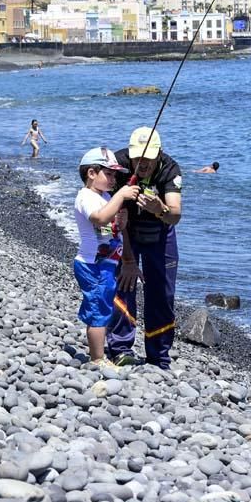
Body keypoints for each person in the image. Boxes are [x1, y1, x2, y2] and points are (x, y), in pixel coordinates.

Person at [109, 127, 183, 369]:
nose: (142, 163)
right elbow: (117, 219)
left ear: (158, 154)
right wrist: (128, 260)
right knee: (123, 284)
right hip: (125, 230)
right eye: (137, 157)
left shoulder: (170, 169)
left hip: (160, 232)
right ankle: (120, 347)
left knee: (162, 294)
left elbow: (175, 215)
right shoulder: (117, 166)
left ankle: (158, 354)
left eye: (148, 158)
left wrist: (159, 208)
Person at [73, 147, 141, 365]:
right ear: (91, 173)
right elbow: (100, 219)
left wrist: (120, 223)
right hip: (93, 265)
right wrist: (121, 194)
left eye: (114, 175)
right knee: (99, 311)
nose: (114, 179)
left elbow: (110, 227)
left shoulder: (104, 196)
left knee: (102, 307)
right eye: (109, 174)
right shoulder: (86, 197)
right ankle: (97, 359)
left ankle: (99, 354)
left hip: (107, 265)